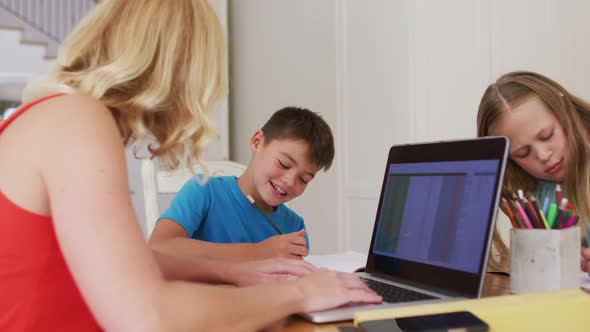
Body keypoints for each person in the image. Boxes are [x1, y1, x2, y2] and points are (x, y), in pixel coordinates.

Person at [0, 1, 381, 330]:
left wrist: (235, 272)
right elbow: (147, 317)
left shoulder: (61, 116)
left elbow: (130, 265)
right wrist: (298, 293)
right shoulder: (78, 120)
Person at [149, 107, 335, 263]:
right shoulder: (205, 191)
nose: (290, 181)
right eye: (284, 164)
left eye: (304, 179)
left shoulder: (294, 227)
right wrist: (258, 252)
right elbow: (159, 248)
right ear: (257, 142)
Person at [476, 70, 590, 276]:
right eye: (523, 153)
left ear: (565, 111)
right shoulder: (539, 196)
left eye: (547, 135)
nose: (544, 155)